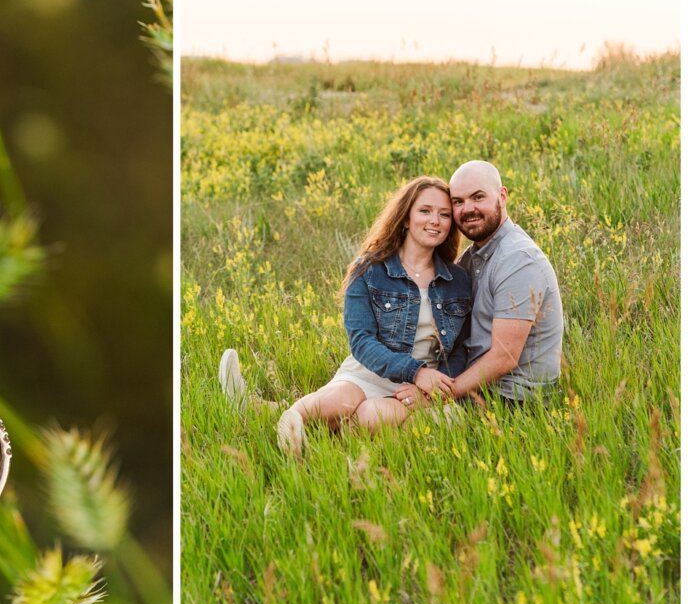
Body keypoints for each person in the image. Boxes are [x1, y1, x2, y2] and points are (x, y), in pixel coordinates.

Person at [218, 175, 472, 457]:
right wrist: (415, 371)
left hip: (418, 385)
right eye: (425, 211)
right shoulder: (369, 269)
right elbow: (362, 342)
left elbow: (460, 350)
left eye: (444, 214)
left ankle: (279, 421)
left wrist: (429, 391)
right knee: (337, 403)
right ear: (405, 218)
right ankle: (289, 422)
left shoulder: (457, 280)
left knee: (373, 417)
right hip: (370, 371)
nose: (435, 220)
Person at [394, 160, 562, 409]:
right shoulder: (472, 258)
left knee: (386, 415)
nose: (468, 209)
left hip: (512, 400)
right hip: (477, 386)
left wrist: (434, 397)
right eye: (458, 202)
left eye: (478, 197)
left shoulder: (519, 260)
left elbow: (503, 357)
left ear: (502, 196)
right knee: (377, 400)